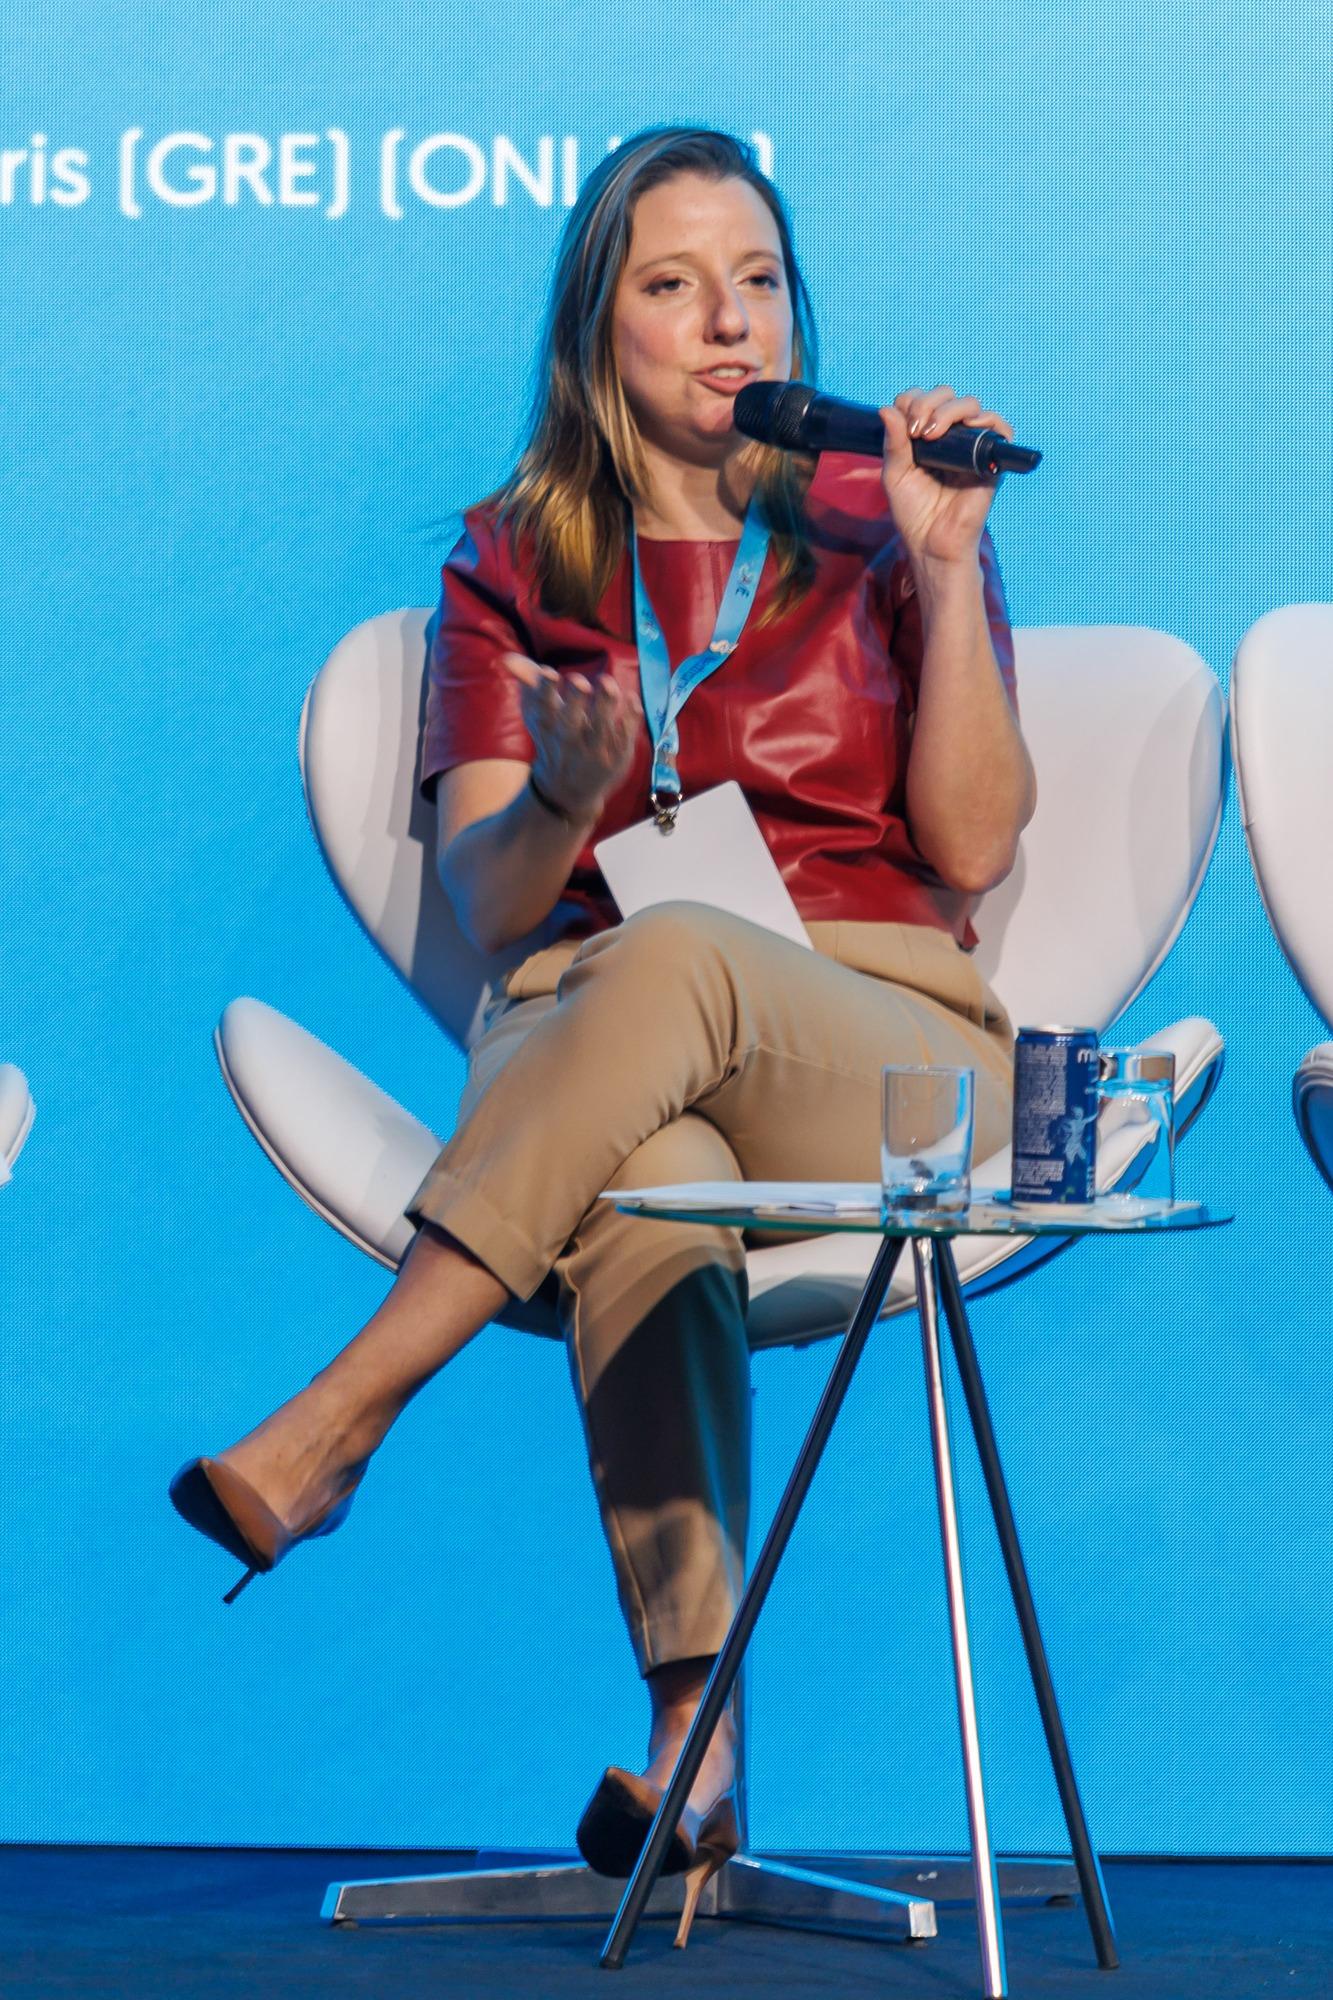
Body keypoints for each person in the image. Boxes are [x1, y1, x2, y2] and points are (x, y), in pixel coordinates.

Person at [170, 126, 1036, 1946]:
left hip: (885, 1051)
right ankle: (692, 1754)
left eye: (757, 282)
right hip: (605, 1036)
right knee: (650, 1178)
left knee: (675, 958)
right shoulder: (513, 561)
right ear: (597, 330)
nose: (727, 323)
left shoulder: (878, 523)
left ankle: (344, 1415)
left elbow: (968, 849)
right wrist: (566, 797)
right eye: (672, 284)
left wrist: (951, 575)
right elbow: (498, 908)